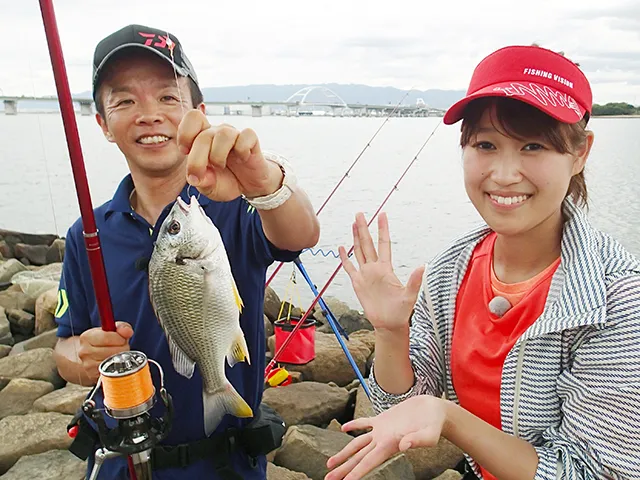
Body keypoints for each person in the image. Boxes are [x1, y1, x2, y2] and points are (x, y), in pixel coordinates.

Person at [325, 44, 640, 480]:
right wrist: (390, 331)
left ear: (580, 153)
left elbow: (594, 472)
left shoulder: (616, 295)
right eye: (486, 144)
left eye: (533, 146)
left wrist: (452, 419)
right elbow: (403, 408)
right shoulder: (451, 269)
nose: (504, 174)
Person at [52, 24, 320, 480]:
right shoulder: (88, 234)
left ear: (199, 112)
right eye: (124, 101)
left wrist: (264, 182)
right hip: (124, 464)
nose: (148, 114)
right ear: (103, 124)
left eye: (167, 97)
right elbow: (64, 345)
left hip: (227, 465)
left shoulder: (236, 207)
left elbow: (300, 234)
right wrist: (81, 355)